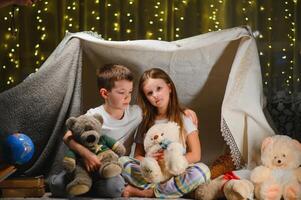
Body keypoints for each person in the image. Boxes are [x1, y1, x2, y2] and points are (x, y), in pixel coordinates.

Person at [48, 64, 198, 198]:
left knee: (115, 188)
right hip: (87, 165)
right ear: (105, 94)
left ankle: (92, 188)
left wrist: (183, 110)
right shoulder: (94, 115)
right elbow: (68, 135)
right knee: (58, 187)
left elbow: (161, 111)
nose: (127, 97)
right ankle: (79, 183)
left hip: (112, 169)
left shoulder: (136, 114)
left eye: (130, 92)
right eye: (121, 93)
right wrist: (86, 155)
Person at [120, 68, 211, 198]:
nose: (155, 95)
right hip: (154, 172)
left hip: (177, 170)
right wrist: (149, 160)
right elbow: (138, 156)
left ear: (169, 88)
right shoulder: (145, 122)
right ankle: (173, 189)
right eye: (149, 93)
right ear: (146, 98)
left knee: (202, 172)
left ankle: (151, 192)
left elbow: (196, 155)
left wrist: (175, 161)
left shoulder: (184, 118)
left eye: (159, 88)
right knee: (123, 162)